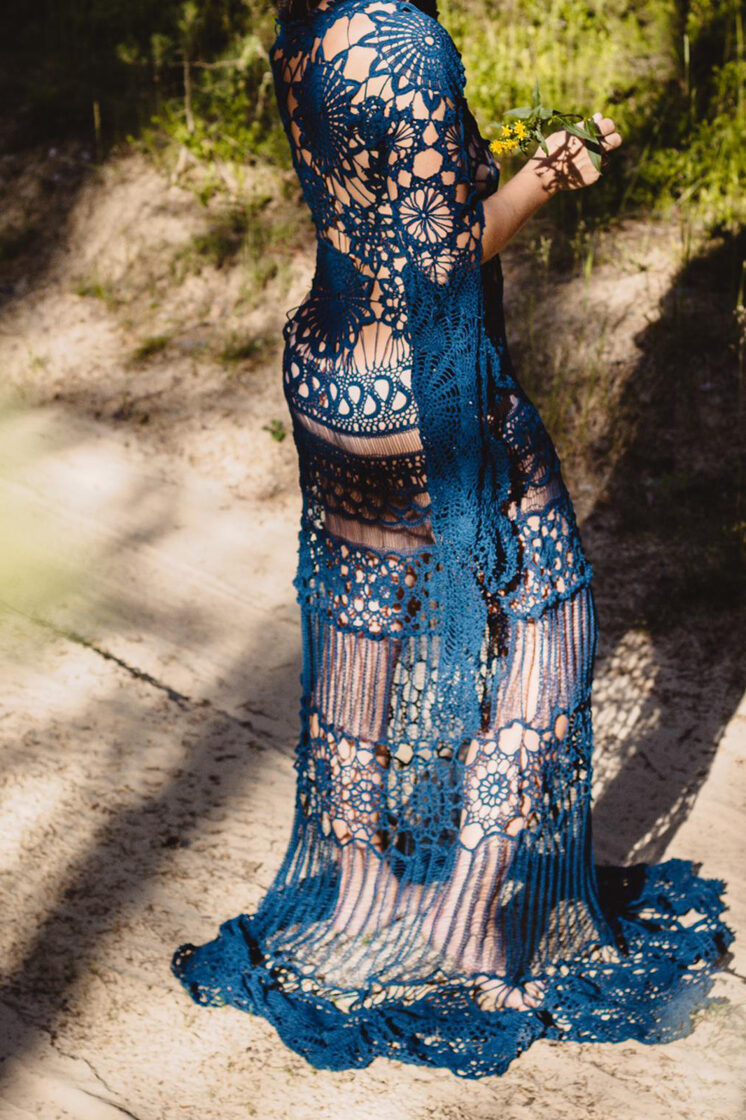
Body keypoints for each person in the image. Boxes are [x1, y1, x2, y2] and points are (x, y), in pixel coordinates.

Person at [171, 0, 733, 1078]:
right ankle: (470, 911)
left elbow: (374, 210)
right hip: (416, 390)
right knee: (553, 615)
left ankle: (362, 884)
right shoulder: (407, 43)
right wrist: (543, 180)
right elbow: (442, 258)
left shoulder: (309, 21)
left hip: (331, 370)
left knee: (366, 615)